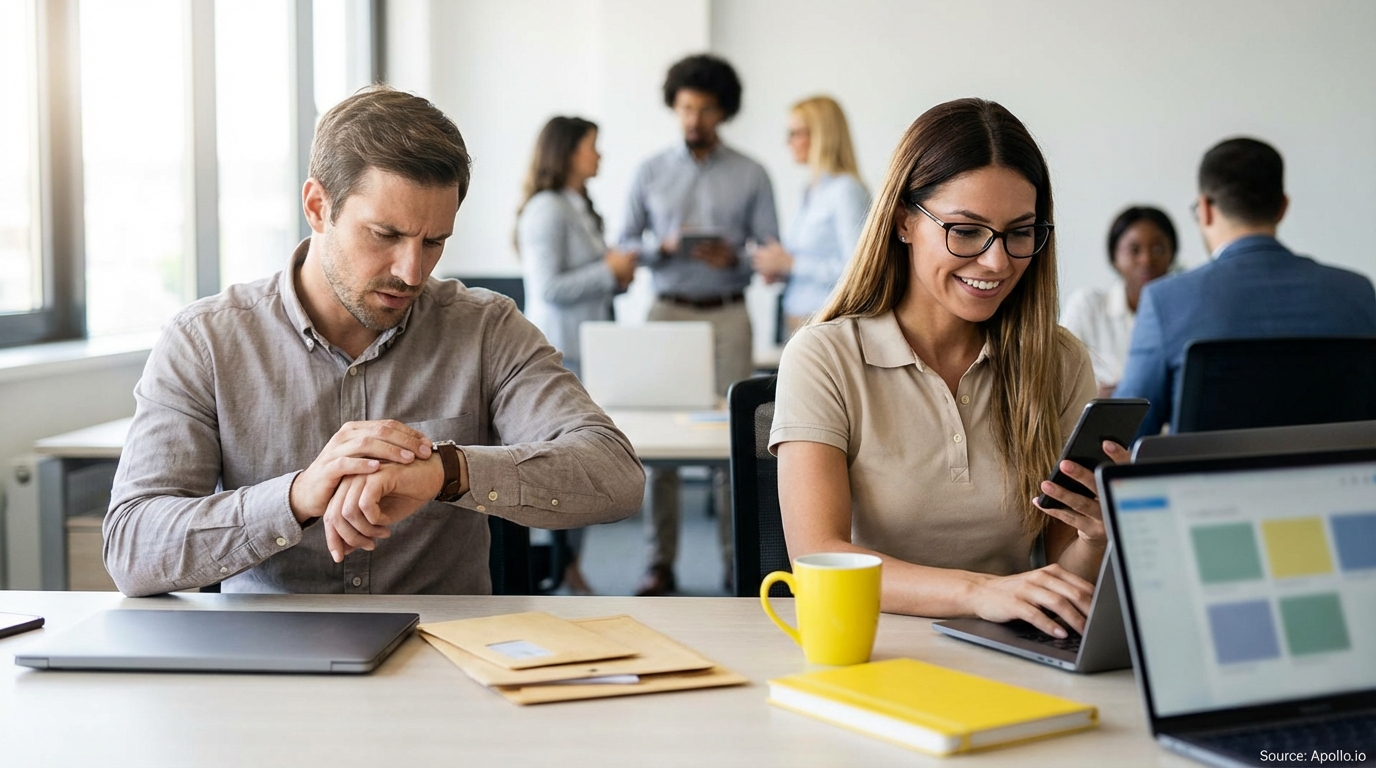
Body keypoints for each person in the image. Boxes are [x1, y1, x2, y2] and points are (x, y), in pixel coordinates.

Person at [103, 86, 645, 597]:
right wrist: (293, 498)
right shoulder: (207, 341)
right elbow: (130, 546)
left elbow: (615, 474)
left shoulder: (485, 327)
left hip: (447, 661)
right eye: (385, 235)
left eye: (434, 242)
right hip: (272, 667)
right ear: (318, 206)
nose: (412, 272)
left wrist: (448, 472)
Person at [771, 98, 1124, 639]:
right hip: (870, 647)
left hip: (1013, 651)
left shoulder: (1058, 361)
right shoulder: (824, 357)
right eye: (966, 230)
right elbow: (819, 556)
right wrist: (981, 592)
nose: (997, 262)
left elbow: (1060, 582)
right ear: (904, 222)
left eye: (1020, 232)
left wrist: (1096, 539)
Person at [618, 54, 779, 596]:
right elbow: (621, 247)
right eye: (686, 107)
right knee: (658, 442)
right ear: (675, 106)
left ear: (723, 111)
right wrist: (660, 248)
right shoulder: (649, 171)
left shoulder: (752, 173)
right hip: (666, 311)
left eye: (705, 109)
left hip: (728, 313)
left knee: (738, 438)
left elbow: (768, 251)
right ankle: (658, 563)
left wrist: (732, 257)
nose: (694, 118)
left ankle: (743, 564)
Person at [1115, 137, 1376, 437]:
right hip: (1339, 481)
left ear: (1205, 209)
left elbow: (1126, 435)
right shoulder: (1357, 293)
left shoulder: (1166, 300)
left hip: (1204, 482)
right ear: (1282, 207)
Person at [515, 116, 637, 595]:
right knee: (562, 462)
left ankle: (569, 566)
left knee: (585, 458)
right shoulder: (547, 208)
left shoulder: (578, 205)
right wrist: (608, 270)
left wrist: (615, 274)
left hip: (589, 351)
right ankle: (562, 566)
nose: (599, 155)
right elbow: (549, 286)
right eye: (592, 146)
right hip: (560, 353)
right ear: (566, 151)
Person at [752, 95, 870, 335]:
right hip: (797, 322)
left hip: (829, 325)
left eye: (795, 133)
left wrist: (793, 264)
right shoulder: (810, 190)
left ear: (821, 136)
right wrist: (782, 271)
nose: (788, 142)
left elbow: (861, 269)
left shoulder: (845, 191)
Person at [1061, 207, 1177, 397]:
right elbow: (1058, 383)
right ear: (1115, 257)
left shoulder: (1181, 313)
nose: (1146, 260)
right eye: (1134, 250)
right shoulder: (1087, 306)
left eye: (1158, 249)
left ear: (1171, 255)